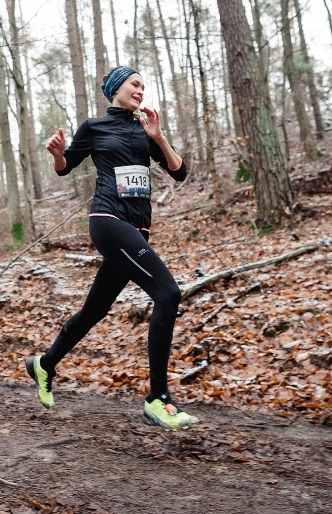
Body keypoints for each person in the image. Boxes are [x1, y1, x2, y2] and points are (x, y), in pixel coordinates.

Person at [26, 66, 198, 430]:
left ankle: (45, 363)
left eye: (144, 86)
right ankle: (158, 398)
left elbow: (180, 173)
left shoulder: (144, 128)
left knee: (95, 310)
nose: (141, 90)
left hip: (138, 229)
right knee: (167, 293)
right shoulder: (94, 127)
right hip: (108, 221)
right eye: (135, 84)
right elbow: (64, 167)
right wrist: (57, 153)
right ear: (117, 88)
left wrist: (160, 137)